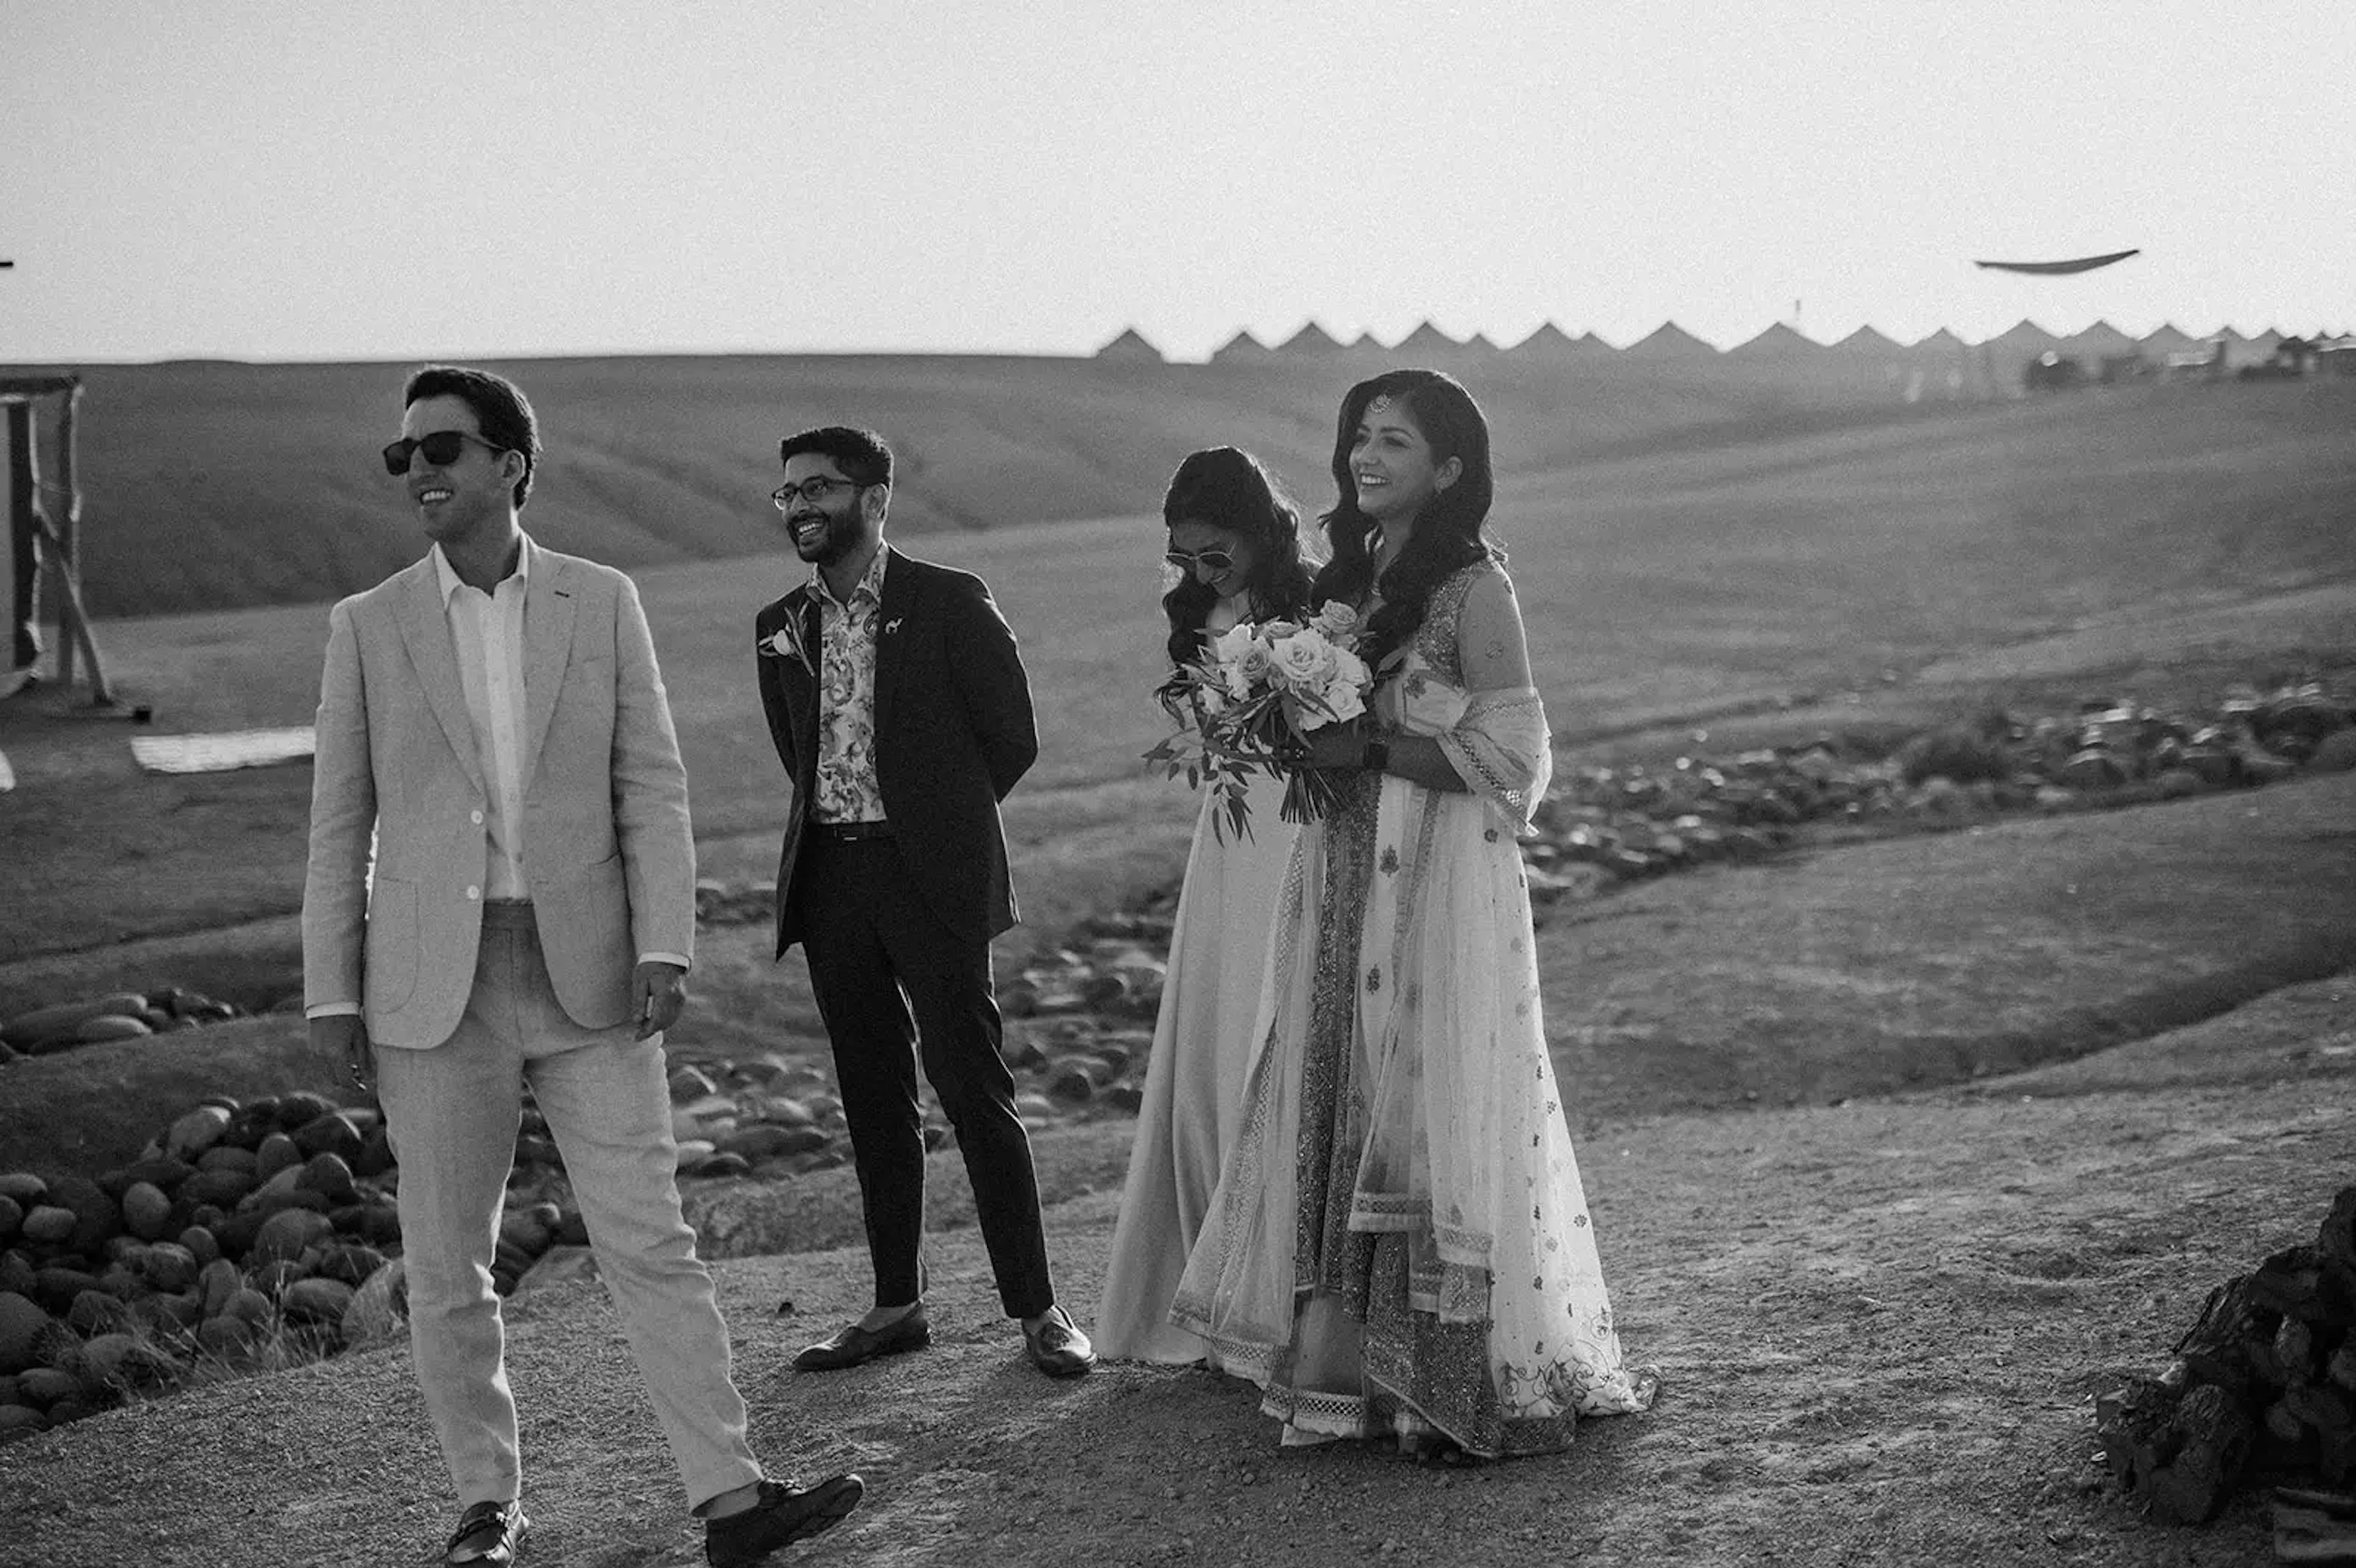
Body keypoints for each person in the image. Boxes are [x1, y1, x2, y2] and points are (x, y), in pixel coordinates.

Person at [303, 366, 862, 1568]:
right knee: (447, 1267)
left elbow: (650, 782)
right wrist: (332, 991)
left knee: (649, 1239)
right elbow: (338, 821)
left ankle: (729, 1498)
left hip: (592, 976)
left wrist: (668, 942)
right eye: (402, 458)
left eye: (442, 448)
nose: (420, 472)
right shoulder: (368, 626)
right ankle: (482, 1511)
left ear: (510, 463)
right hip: (428, 996)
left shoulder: (601, 602)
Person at [1170, 369, 1658, 1459]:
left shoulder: (1477, 589)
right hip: (1344, 868)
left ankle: (1445, 1376)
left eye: (1394, 440)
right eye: (1358, 437)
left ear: (1450, 468)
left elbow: (1518, 760)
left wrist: (1373, 747)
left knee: (1427, 1099)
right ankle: (1349, 1367)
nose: (1366, 457)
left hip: (1440, 884)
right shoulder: (1352, 578)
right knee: (1339, 1083)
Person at [752, 425, 1094, 1379]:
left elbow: (1009, 738)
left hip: (930, 879)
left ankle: (1040, 1311)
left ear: (875, 496)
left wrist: (939, 825)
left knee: (975, 1092)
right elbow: (800, 754)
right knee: (871, 1099)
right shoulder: (778, 623)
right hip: (831, 884)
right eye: (788, 494)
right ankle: (895, 1306)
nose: (802, 506)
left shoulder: (949, 601)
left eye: (819, 487)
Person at [1095, 447, 1316, 1362]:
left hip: (1304, 829)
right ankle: (1213, 1271)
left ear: (1259, 530)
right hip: (1231, 842)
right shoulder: (1198, 614)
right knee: (1218, 1038)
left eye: (1215, 554)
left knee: (1281, 1026)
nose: (1199, 573)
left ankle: (1285, 1272)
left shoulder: (1320, 606)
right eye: (1186, 558)